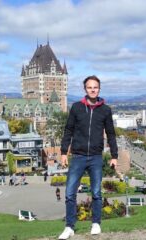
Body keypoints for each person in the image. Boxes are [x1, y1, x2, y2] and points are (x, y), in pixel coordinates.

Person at [58, 75, 118, 240]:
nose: (93, 89)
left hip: (96, 157)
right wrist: (64, 152)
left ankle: (96, 223)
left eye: (95, 87)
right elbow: (68, 130)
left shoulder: (105, 110)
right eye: (90, 87)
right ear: (85, 89)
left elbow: (111, 134)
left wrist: (114, 156)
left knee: (96, 192)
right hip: (78, 156)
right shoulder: (76, 107)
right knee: (70, 193)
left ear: (99, 89)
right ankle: (69, 227)